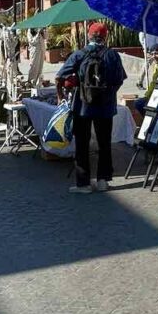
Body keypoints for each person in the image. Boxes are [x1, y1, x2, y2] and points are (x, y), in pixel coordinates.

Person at [57, 22, 127, 194]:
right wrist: (108, 94)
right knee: (104, 143)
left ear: (89, 36)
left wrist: (61, 95)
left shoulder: (79, 54)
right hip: (106, 107)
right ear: (105, 37)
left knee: (82, 144)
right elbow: (119, 79)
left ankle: (83, 184)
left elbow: (60, 76)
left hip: (83, 106)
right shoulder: (112, 55)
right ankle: (103, 180)